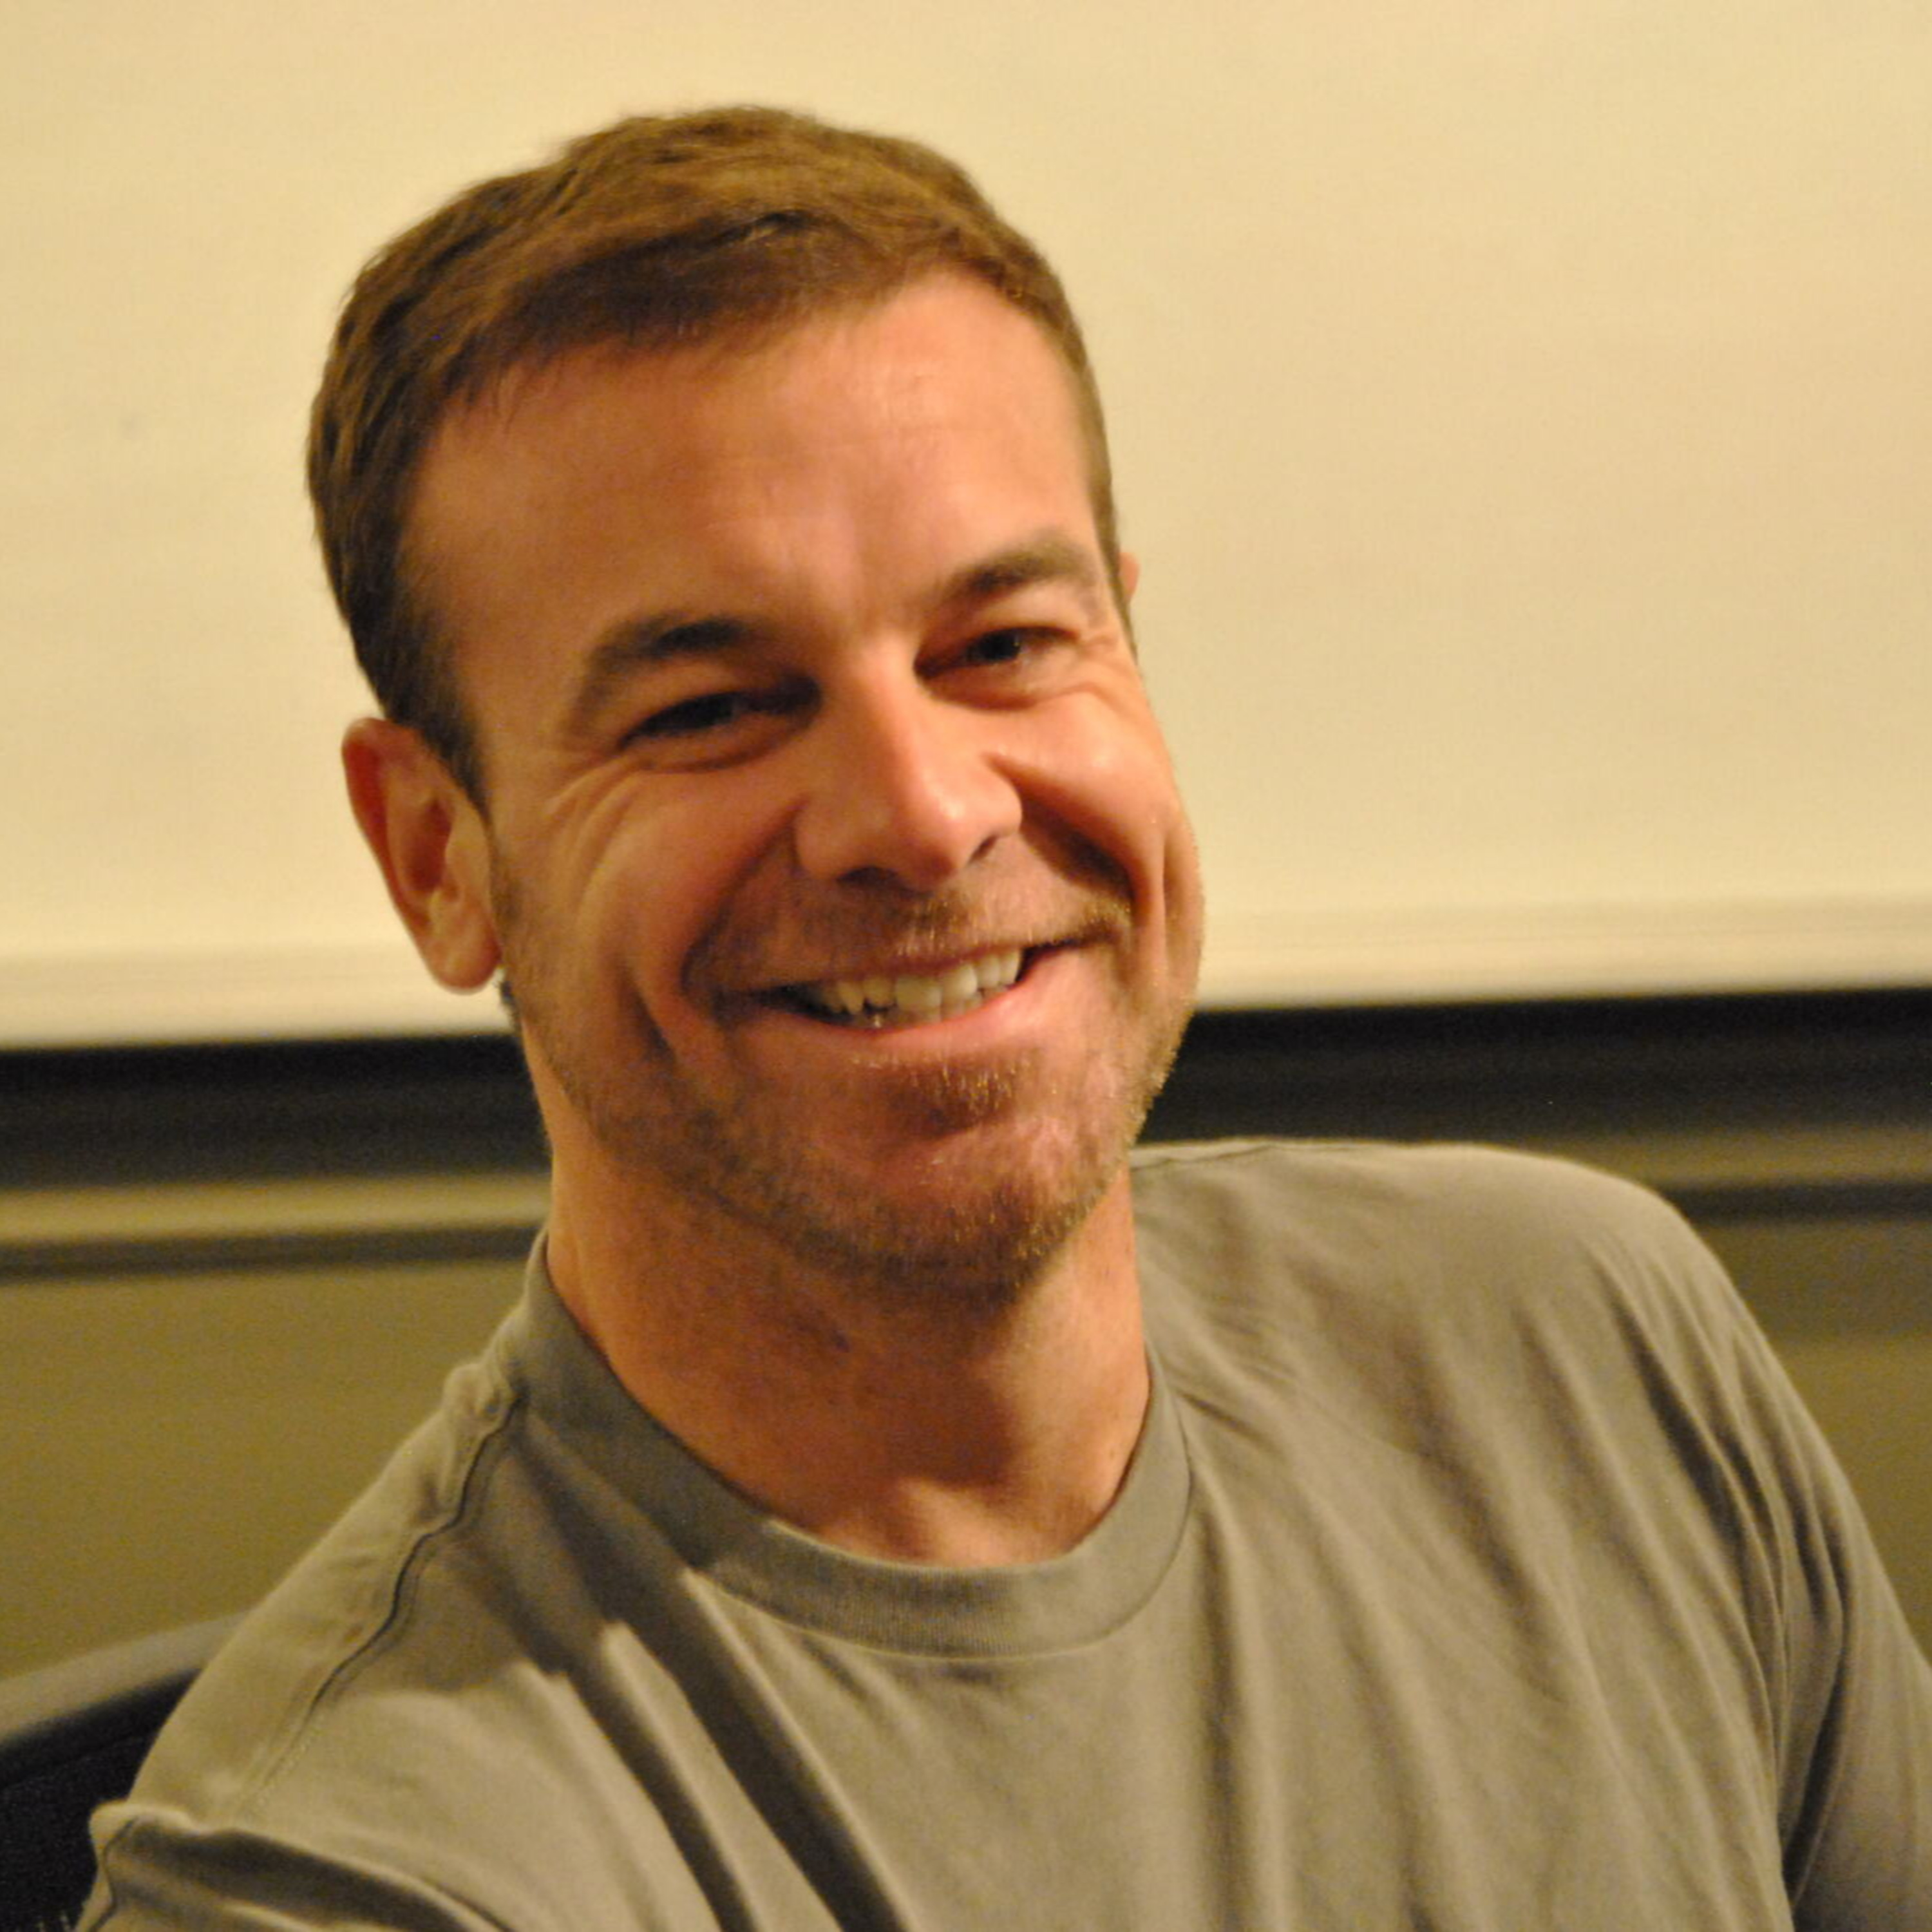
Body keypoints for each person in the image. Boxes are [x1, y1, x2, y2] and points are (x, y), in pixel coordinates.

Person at [83, 106, 1929, 1929]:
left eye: (1004, 647)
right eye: (711, 708)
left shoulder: (1584, 1344)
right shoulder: (345, 1880)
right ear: (436, 857)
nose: (925, 810)